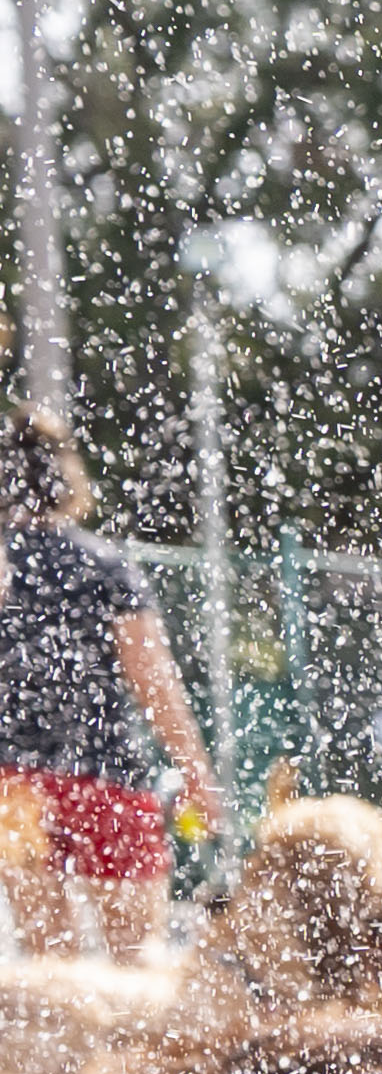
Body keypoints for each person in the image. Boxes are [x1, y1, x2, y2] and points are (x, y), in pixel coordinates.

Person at [0, 406, 221, 961]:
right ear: (68, 476)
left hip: (16, 789)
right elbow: (156, 687)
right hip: (107, 780)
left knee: (51, 969)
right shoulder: (103, 566)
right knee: (138, 960)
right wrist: (197, 775)